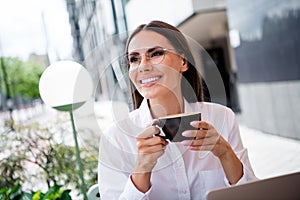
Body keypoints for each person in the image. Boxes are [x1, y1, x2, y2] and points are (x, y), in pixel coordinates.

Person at [98, 20, 257, 200]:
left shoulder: (222, 118)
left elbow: (252, 194)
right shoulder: (116, 137)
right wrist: (142, 168)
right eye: (134, 59)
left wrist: (224, 152)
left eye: (156, 53)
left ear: (183, 62)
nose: (143, 65)